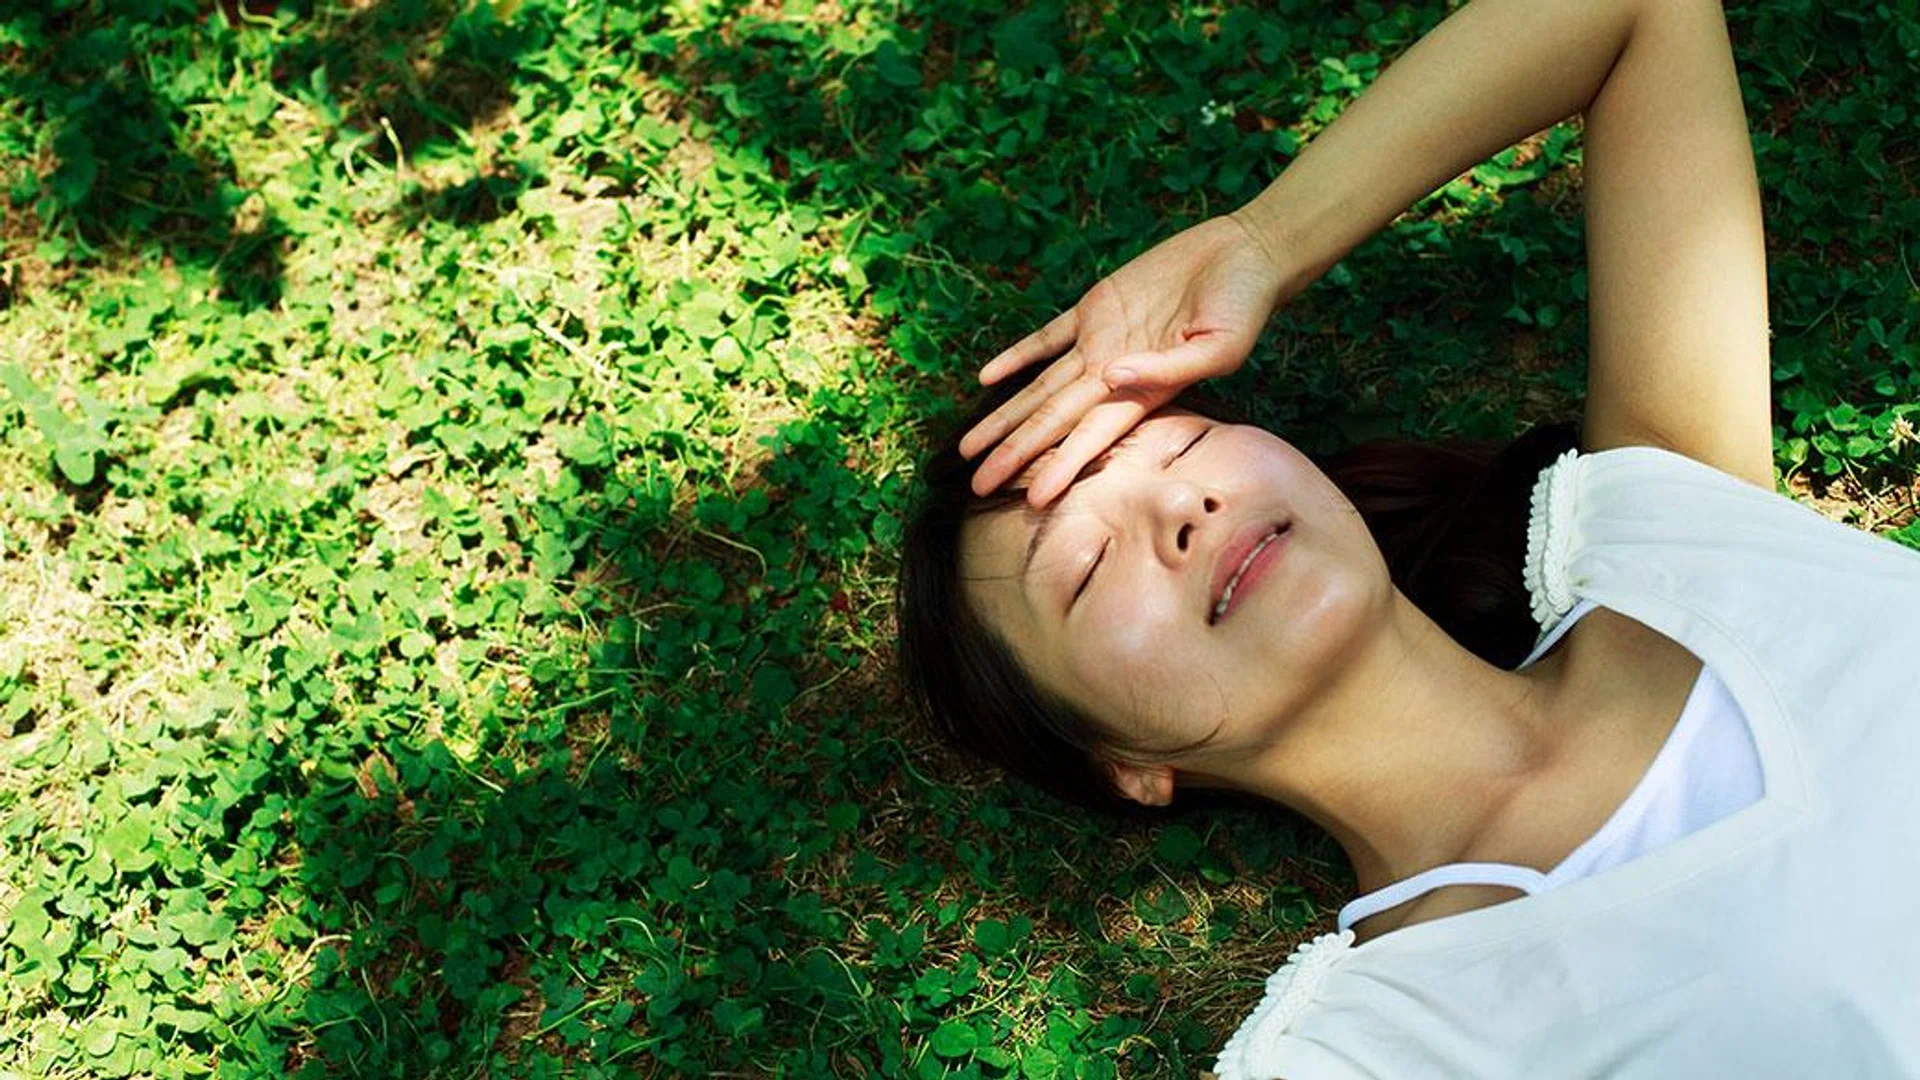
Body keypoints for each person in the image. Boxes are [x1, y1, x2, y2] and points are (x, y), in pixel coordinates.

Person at [894, 0, 1920, 1075]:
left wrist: (1265, 240)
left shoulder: (1672, 519)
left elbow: (1637, 17)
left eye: (1181, 444)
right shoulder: (1381, 1047)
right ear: (1125, 765)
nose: (1177, 510)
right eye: (1090, 566)